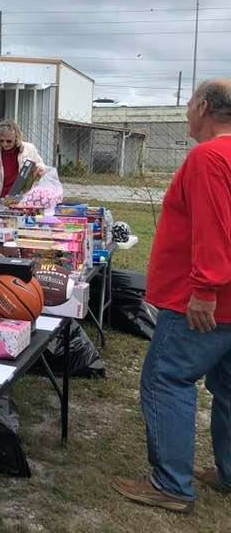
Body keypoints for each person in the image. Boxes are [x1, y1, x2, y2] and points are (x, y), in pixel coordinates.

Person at [112, 79, 231, 514]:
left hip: (202, 302)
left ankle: (171, 485)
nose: (186, 112)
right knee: (228, 387)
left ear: (202, 105)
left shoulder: (209, 156)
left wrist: (205, 288)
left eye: (188, 104)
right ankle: (228, 472)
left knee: (167, 379)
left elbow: (214, 226)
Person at [0, 119, 45, 194]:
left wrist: (38, 169)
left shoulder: (29, 149)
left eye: (9, 141)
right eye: (1, 141)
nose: (4, 144)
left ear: (17, 138)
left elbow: (41, 168)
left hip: (23, 199)